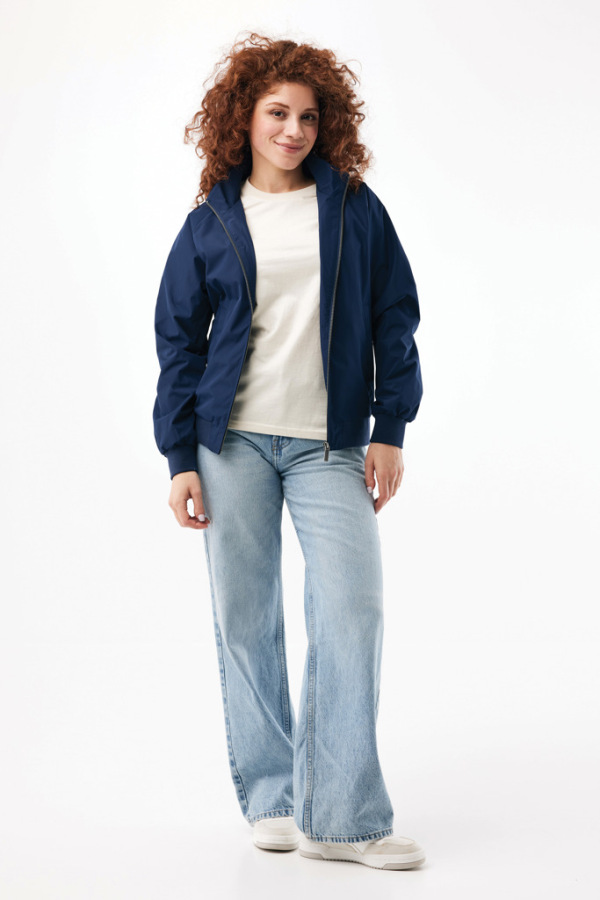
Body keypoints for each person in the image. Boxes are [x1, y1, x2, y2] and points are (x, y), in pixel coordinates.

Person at [152, 32, 425, 871]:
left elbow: (395, 315)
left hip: (329, 445)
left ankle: (342, 818)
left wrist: (390, 429)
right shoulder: (210, 222)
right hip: (229, 442)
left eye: (308, 116)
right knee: (247, 617)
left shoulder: (354, 208)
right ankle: (274, 797)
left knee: (352, 611)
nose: (293, 131)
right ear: (244, 118)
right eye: (277, 113)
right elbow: (179, 344)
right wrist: (180, 457)